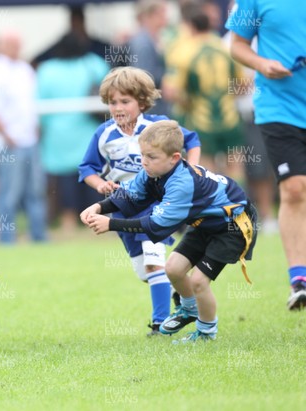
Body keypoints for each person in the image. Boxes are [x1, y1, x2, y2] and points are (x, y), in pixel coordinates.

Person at [80, 120, 257, 342]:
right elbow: (129, 196)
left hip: (233, 226)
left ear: (174, 158)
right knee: (173, 269)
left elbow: (155, 225)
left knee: (199, 282)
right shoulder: (152, 172)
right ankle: (190, 310)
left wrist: (110, 224)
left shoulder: (181, 184)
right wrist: (98, 207)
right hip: (205, 223)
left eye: (151, 157)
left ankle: (206, 333)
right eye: (142, 155)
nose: (144, 162)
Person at [78, 67, 201, 336]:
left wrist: (190, 172)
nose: (118, 107)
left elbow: (192, 140)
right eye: (112, 102)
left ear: (142, 102)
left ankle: (160, 324)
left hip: (157, 202)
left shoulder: (157, 128)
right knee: (145, 272)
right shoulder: (104, 134)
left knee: (154, 261)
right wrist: (101, 184)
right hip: (124, 205)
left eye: (125, 101)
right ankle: (181, 291)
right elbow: (86, 168)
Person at [226, 1, 306, 311]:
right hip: (279, 107)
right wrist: (262, 64)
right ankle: (299, 280)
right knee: (295, 187)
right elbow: (237, 45)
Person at [36, 33, 110, 234]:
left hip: (57, 135)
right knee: (93, 174)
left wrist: (40, 129)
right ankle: (95, 222)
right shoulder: (94, 63)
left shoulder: (47, 70)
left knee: (63, 179)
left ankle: (68, 221)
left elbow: (39, 103)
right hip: (89, 131)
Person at [162, 1, 245, 178]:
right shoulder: (224, 47)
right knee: (235, 169)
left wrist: (187, 102)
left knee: (205, 171)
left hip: (201, 121)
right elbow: (243, 85)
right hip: (229, 118)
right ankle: (239, 204)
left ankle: (214, 205)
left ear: (190, 26)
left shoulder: (183, 51)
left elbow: (171, 92)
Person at [0, 30, 47, 244]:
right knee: (8, 193)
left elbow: (31, 104)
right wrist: (7, 136)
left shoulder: (25, 69)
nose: (16, 49)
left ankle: (39, 236)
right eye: (12, 44)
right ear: (1, 46)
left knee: (35, 190)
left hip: (29, 139)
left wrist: (35, 129)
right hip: (8, 143)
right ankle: (6, 238)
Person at [128, 0, 171, 117]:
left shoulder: (154, 38)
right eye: (163, 13)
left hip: (157, 105)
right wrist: (168, 77)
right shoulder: (142, 41)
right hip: (151, 108)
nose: (166, 17)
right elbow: (144, 75)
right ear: (153, 15)